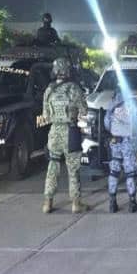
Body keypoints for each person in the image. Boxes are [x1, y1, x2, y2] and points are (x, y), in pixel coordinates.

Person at [42, 58, 88, 214]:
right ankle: (76, 203)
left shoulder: (49, 90)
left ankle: (47, 203)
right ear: (68, 70)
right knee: (73, 168)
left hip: (54, 131)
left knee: (52, 165)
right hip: (70, 131)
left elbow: (46, 115)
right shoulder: (74, 88)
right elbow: (84, 110)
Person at [104, 87, 137, 213]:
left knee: (114, 171)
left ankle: (112, 203)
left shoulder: (111, 104)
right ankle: (132, 202)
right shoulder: (132, 103)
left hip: (115, 141)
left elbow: (106, 123)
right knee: (130, 173)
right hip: (128, 141)